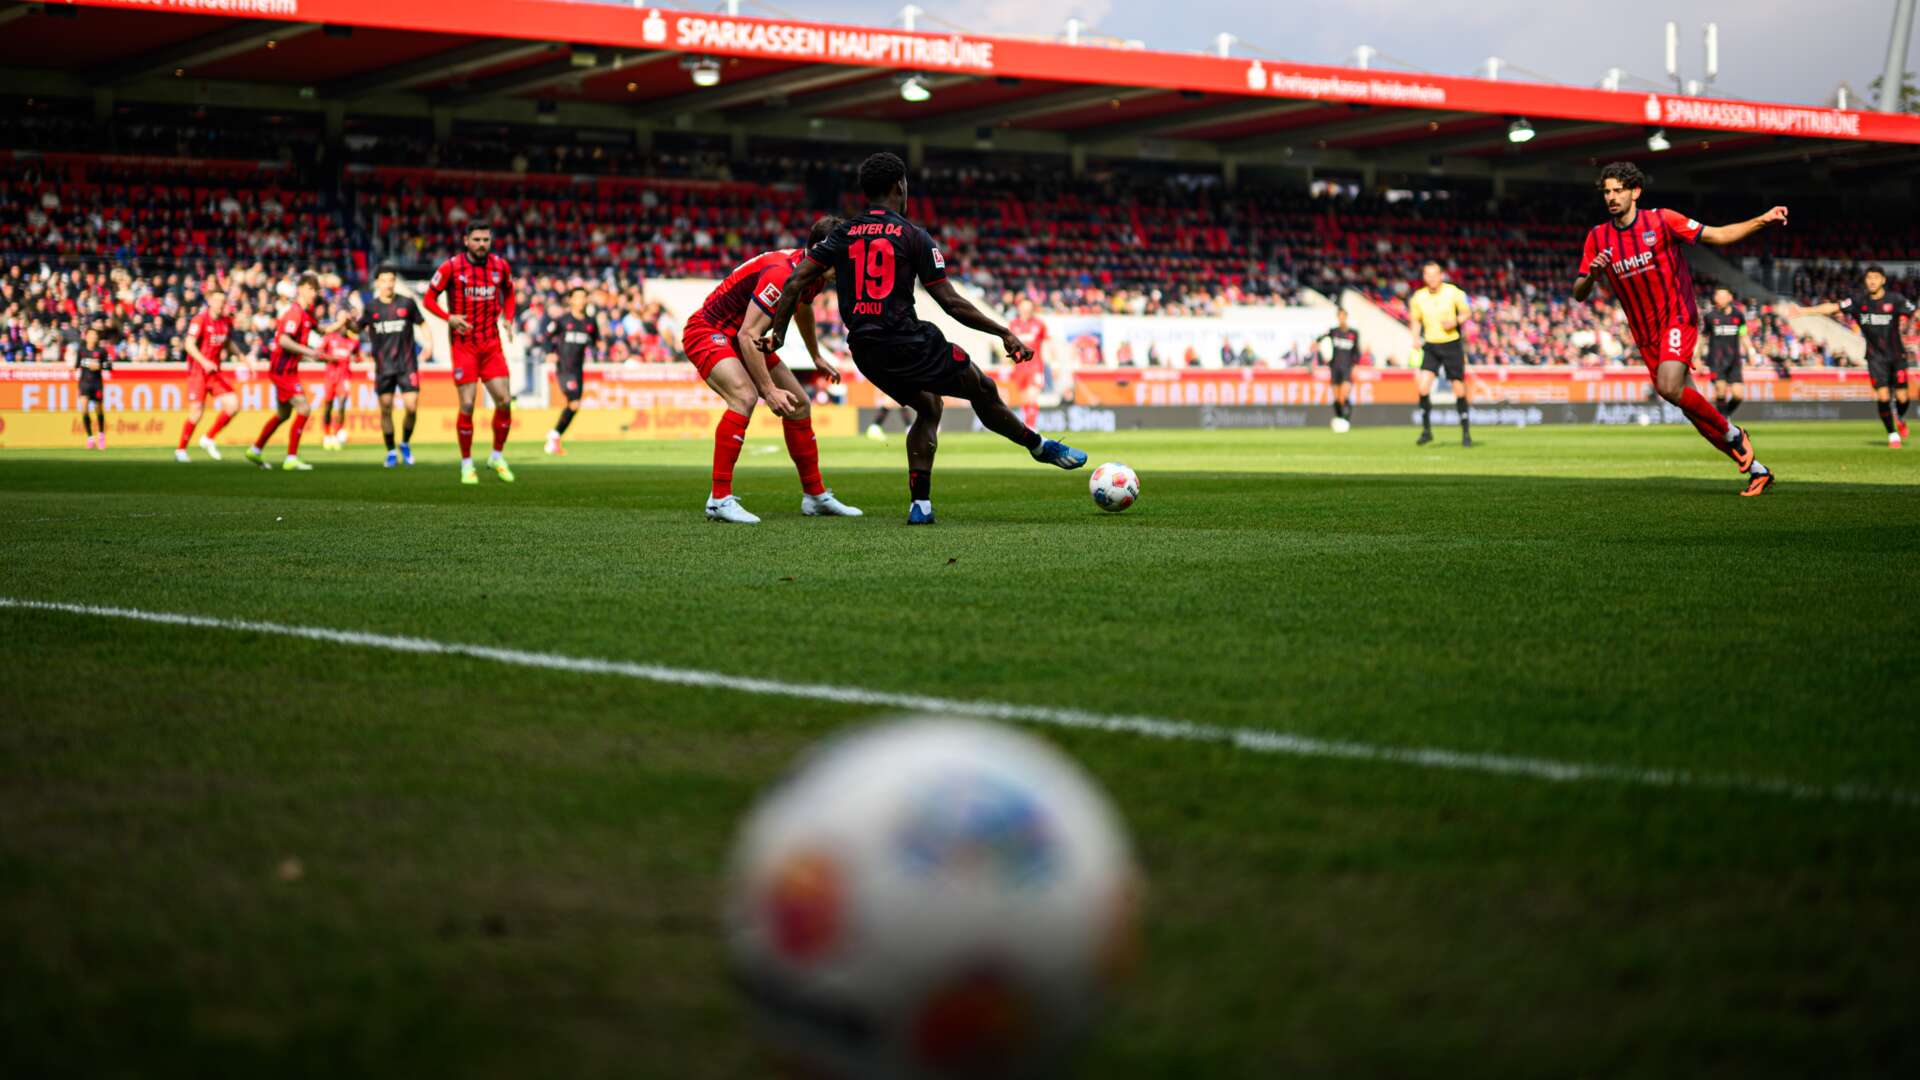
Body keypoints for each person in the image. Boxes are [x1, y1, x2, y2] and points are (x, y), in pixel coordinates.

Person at [758, 152, 1086, 525]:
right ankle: (1038, 445)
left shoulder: (843, 234)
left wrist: (779, 334)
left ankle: (921, 505)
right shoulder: (913, 236)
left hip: (866, 351)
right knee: (982, 386)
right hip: (909, 342)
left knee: (929, 407)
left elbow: (796, 280)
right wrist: (1003, 332)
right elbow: (949, 301)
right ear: (900, 186)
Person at [1572, 161, 1784, 495]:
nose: (1611, 197)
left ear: (1635, 192)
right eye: (1607, 192)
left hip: (1677, 317)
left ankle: (1735, 434)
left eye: (1618, 190)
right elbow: (1579, 292)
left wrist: (1762, 219)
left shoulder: (1662, 220)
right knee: (1690, 406)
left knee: (1669, 387)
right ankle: (1757, 470)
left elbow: (1717, 235)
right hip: (1645, 334)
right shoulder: (1598, 237)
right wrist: (1594, 275)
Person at [683, 218, 862, 523]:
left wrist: (815, 355)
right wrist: (768, 391)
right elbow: (747, 335)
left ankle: (815, 497)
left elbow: (802, 307)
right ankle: (719, 499)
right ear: (822, 250)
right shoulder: (781, 274)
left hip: (743, 335)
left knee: (800, 405)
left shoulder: (813, 273)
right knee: (744, 397)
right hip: (710, 330)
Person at [422, 223, 517, 485]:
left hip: (491, 344)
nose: (482, 244)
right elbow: (428, 299)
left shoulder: (500, 266)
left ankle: (496, 456)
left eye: (486, 239)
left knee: (505, 400)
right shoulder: (451, 267)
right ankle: (466, 464)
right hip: (464, 345)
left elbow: (509, 292)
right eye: (476, 239)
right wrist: (448, 317)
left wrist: (508, 318)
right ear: (466, 241)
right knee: (467, 404)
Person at [1790, 265, 1915, 448]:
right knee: (1882, 397)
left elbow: (1915, 312)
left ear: (1883, 280)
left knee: (1903, 398)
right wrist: (1804, 311)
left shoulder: (1895, 299)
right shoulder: (1859, 301)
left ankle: (1899, 416)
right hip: (1875, 358)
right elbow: (1833, 307)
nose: (1872, 280)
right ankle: (1892, 434)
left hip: (1897, 356)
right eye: (1869, 277)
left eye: (1876, 277)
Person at [245, 274, 341, 472]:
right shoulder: (294, 313)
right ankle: (291, 458)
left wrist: (341, 323)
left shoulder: (307, 314)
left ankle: (255, 449)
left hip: (289, 370)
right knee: (304, 409)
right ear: (302, 289)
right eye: (312, 289)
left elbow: (321, 330)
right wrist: (310, 353)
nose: (314, 294)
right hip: (282, 371)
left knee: (283, 414)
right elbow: (283, 341)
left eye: (316, 290)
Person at [356, 267, 427, 468]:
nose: (388, 284)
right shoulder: (371, 307)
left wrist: (428, 344)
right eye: (384, 280)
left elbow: (422, 324)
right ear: (377, 283)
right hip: (384, 367)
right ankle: (390, 452)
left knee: (411, 408)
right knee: (386, 410)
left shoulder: (407, 303)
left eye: (391, 280)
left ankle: (404, 442)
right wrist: (348, 323)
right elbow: (357, 328)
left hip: (407, 365)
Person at [1407, 262, 1475, 447]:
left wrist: (1455, 321)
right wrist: (1414, 338)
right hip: (1431, 345)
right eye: (1427, 275)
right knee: (1422, 387)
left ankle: (1466, 432)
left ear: (1441, 275)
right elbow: (1415, 320)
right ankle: (1426, 430)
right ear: (1423, 277)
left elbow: (1467, 311)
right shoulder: (1419, 297)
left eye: (1434, 274)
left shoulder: (1453, 292)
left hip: (1451, 344)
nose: (1431, 278)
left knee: (1458, 388)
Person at [177, 289, 245, 462]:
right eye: (216, 300)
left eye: (222, 301)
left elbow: (228, 342)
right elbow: (189, 344)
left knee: (233, 404)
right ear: (209, 301)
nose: (220, 304)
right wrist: (204, 361)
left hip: (214, 373)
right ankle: (181, 450)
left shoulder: (225, 322)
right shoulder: (200, 320)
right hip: (198, 372)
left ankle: (208, 438)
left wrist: (243, 358)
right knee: (196, 411)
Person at [544, 286, 599, 456]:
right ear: (571, 300)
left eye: (584, 297)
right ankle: (554, 436)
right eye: (578, 297)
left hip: (578, 369)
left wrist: (598, 350)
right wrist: (550, 352)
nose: (581, 300)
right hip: (564, 368)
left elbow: (595, 341)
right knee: (574, 402)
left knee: (574, 406)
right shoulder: (563, 320)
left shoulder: (590, 322)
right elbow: (547, 337)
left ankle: (554, 436)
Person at [1700, 288, 1756, 421]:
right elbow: (1703, 337)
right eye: (1717, 295)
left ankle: (1722, 416)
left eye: (1723, 295)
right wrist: (1696, 357)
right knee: (1721, 389)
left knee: (1738, 395)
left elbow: (1743, 335)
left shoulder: (1738, 315)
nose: (1719, 298)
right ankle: (1724, 420)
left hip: (1734, 361)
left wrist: (1751, 352)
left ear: (1730, 297)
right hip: (1716, 360)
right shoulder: (1710, 316)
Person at [1006, 297, 1048, 430]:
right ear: (1019, 309)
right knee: (1024, 398)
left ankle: (1031, 426)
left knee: (1032, 396)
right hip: (1019, 366)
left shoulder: (1039, 324)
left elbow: (1047, 343)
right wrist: (1006, 363)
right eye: (1024, 308)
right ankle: (1028, 425)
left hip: (1035, 365)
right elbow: (1008, 346)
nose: (1026, 311)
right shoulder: (1013, 325)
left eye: (1029, 308)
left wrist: (1054, 362)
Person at [316, 324, 359, 451]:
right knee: (328, 406)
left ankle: (337, 433)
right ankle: (327, 434)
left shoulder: (353, 342)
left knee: (341, 404)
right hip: (330, 377)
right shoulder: (329, 338)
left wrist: (356, 359)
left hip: (344, 377)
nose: (344, 327)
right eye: (342, 324)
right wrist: (330, 358)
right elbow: (318, 353)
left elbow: (357, 355)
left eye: (346, 324)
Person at [1318, 308, 1361, 431]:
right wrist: (1322, 351)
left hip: (1347, 367)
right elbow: (1320, 340)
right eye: (1339, 316)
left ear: (1346, 317)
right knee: (1337, 397)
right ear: (1338, 317)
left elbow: (1356, 352)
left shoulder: (1353, 333)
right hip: (1335, 367)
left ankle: (1346, 419)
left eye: (1343, 316)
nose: (1341, 318)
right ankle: (1339, 418)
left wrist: (1356, 366)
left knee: (1344, 395)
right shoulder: (1333, 332)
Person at [73, 324, 110, 450]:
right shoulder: (82, 350)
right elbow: (76, 365)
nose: (93, 337)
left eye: (95, 335)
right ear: (86, 336)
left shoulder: (101, 351)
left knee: (98, 409)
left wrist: (99, 366)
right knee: (84, 409)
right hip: (84, 383)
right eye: (91, 335)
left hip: (97, 384)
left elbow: (109, 366)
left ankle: (100, 435)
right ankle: (90, 437)